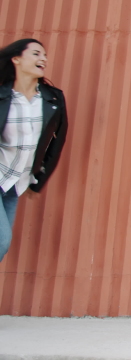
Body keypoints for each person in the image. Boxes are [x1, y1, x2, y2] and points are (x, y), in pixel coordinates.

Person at [0, 39, 68, 264]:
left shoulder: (52, 98)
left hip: (16, 182)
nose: (43, 59)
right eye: (36, 53)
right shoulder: (2, 95)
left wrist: (39, 180)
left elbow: (57, 143)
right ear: (16, 59)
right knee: (2, 241)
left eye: (45, 55)